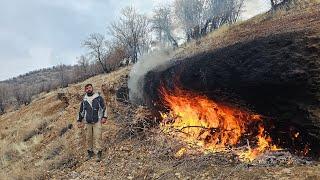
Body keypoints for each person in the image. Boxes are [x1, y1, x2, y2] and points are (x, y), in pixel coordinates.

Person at [77, 84, 107, 162]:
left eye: (90, 88)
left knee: (98, 137)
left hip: (97, 121)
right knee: (88, 138)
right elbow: (81, 112)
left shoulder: (98, 98)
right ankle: (90, 152)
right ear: (85, 90)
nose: (88, 89)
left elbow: (104, 108)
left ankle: (98, 153)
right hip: (87, 122)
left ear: (92, 88)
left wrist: (104, 117)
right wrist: (79, 121)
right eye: (87, 88)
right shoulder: (84, 100)